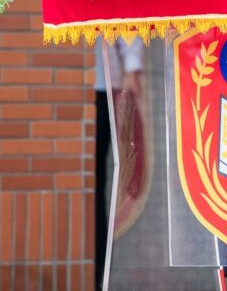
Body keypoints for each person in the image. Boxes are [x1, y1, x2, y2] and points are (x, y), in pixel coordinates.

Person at [94, 38, 144, 290]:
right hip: (66, 83)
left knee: (95, 185)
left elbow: (123, 8)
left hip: (103, 82)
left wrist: (132, 67)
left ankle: (97, 275)